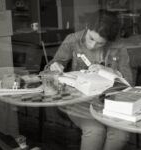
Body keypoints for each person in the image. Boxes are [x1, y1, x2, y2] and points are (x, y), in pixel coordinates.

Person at [45, 11, 133, 150]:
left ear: (108, 41)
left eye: (100, 44)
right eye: (91, 38)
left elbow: (129, 82)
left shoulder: (118, 46)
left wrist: (111, 71)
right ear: (87, 27)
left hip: (111, 102)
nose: (92, 46)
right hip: (79, 101)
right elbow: (49, 69)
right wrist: (55, 67)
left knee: (120, 135)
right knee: (95, 131)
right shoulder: (72, 40)